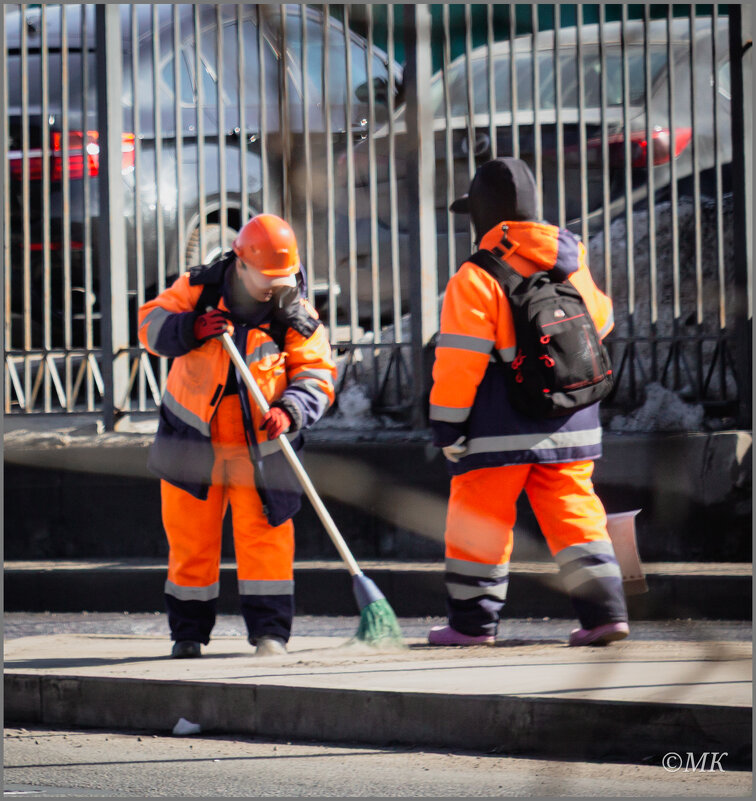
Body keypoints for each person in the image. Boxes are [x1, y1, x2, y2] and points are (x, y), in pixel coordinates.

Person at [428, 157, 629, 647]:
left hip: (499, 425)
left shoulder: (475, 276)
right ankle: (606, 615)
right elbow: (600, 323)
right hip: (572, 417)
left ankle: (472, 626)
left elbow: (460, 363)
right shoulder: (569, 258)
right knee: (576, 514)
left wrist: (448, 428)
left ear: (480, 217)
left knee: (479, 520)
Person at [138, 213, 336, 658]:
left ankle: (270, 635)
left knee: (267, 542)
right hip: (192, 442)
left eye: (280, 278)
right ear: (240, 263)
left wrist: (292, 409)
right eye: (265, 277)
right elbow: (148, 324)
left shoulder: (295, 311)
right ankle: (187, 635)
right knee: (191, 542)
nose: (273, 286)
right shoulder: (198, 287)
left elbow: (318, 372)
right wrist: (188, 329)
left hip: (262, 449)